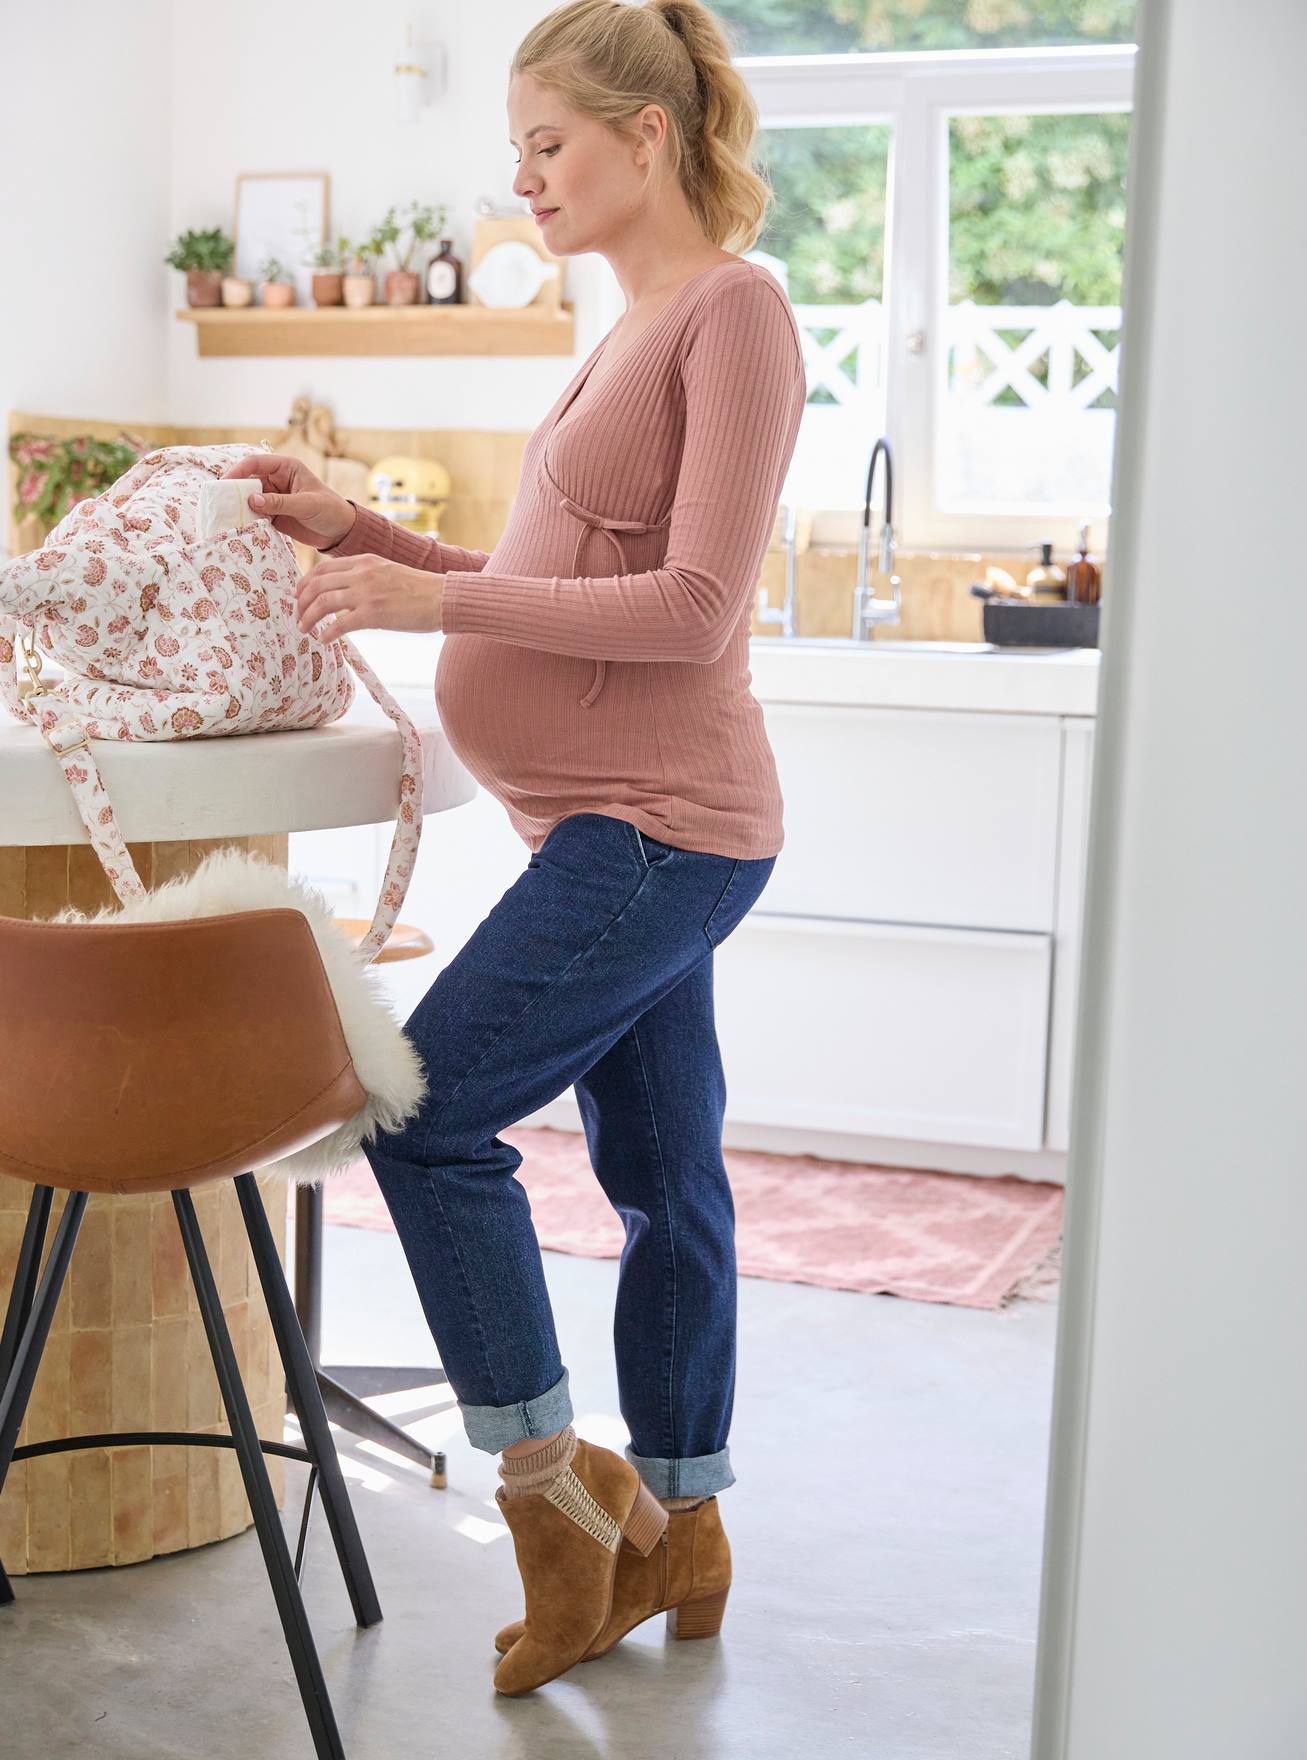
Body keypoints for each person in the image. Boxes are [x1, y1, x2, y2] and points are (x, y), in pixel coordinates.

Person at [224, 0, 805, 1697]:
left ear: (648, 137)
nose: (524, 181)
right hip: (606, 826)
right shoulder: (624, 332)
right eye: (516, 153)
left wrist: (437, 596)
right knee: (661, 1174)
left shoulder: (733, 317)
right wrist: (371, 535)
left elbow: (694, 611)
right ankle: (683, 1532)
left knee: (426, 1109)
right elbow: (553, 565)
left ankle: (559, 1503)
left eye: (549, 145)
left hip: (662, 829)